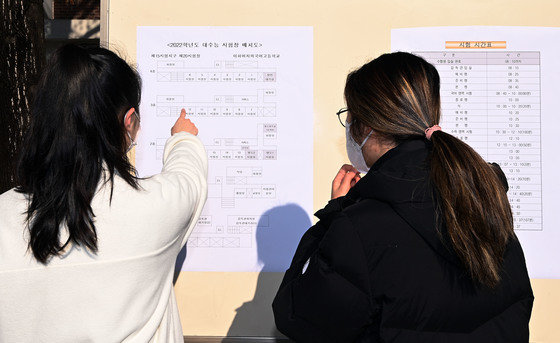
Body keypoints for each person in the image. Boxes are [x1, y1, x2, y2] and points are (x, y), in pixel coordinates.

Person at [272, 52, 533, 342]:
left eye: (351, 117)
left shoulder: (359, 227)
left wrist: (334, 215)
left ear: (369, 126)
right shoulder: (484, 198)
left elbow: (298, 317)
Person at [0, 44, 207, 342]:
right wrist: (183, 137)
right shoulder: (152, 208)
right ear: (129, 120)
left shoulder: (4, 214)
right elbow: (190, 176)